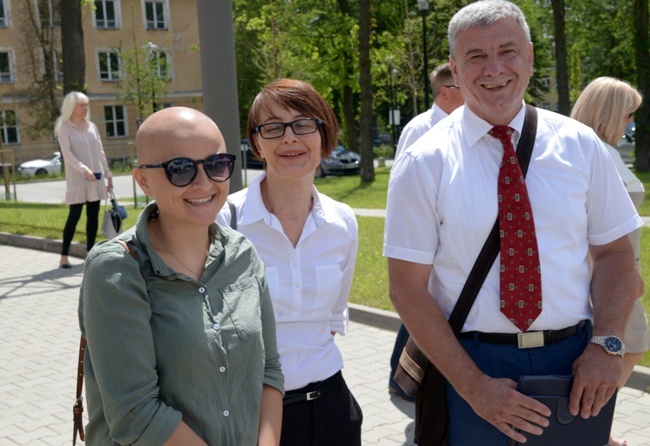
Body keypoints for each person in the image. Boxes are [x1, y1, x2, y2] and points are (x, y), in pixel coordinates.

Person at [383, 1, 643, 445]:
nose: (494, 69)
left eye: (507, 51)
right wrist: (472, 386)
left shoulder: (581, 147)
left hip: (574, 363)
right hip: (472, 364)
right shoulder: (423, 163)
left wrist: (607, 344)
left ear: (530, 57)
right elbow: (406, 287)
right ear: (454, 68)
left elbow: (617, 254)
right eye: (476, 57)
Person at [78, 107, 284, 445]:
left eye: (216, 164)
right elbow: (136, 413)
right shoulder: (116, 270)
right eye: (180, 169)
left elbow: (269, 368)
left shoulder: (243, 254)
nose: (204, 183)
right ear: (143, 179)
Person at [217, 79, 363, 446]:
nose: (289, 138)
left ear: (323, 134)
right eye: (273, 128)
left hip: (333, 409)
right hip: (254, 414)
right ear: (256, 143)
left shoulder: (342, 222)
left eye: (303, 124)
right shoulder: (226, 221)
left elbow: (333, 318)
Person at [571, 76, 648, 446]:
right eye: (628, 114)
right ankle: (592, 428)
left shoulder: (586, 150)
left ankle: (596, 428)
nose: (630, 123)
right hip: (612, 278)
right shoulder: (597, 152)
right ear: (611, 113)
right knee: (627, 346)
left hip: (612, 274)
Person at [388, 62, 464, 401]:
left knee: (428, 308)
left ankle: (404, 375)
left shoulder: (462, 126)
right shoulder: (421, 129)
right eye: (463, 87)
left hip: (448, 237)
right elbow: (402, 190)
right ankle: (404, 377)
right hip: (424, 239)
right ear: (446, 92)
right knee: (419, 305)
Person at [55, 91, 113, 269]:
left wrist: (108, 175)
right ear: (72, 107)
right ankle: (64, 256)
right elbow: (68, 155)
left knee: (93, 216)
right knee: (74, 216)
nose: (85, 108)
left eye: (86, 104)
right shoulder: (64, 128)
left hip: (96, 179)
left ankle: (89, 253)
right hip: (78, 180)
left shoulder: (92, 127)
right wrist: (83, 169)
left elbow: (100, 152)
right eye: (82, 105)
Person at [393, 62, 465, 159]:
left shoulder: (468, 126)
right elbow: (402, 173)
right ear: (444, 93)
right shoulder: (418, 130)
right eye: (463, 87)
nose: (470, 93)